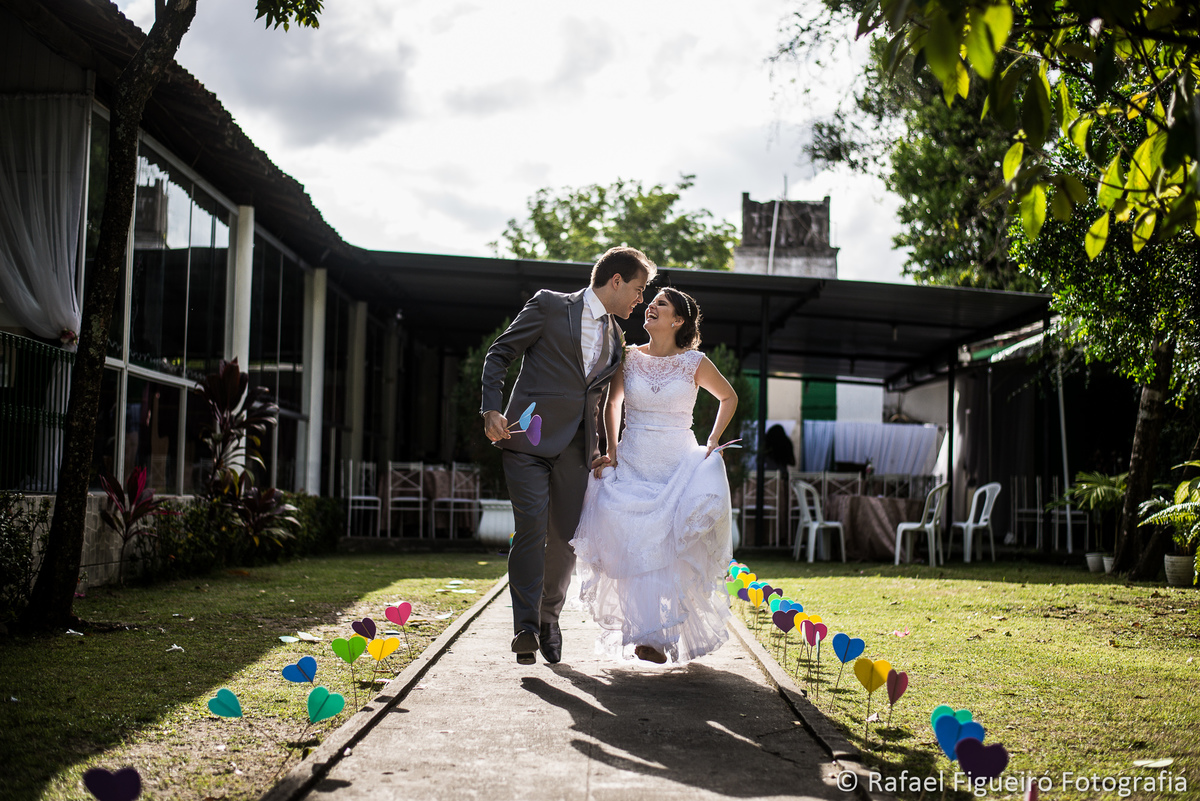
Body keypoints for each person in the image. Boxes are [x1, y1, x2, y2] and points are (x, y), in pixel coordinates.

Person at [481, 246, 655, 665]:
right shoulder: (548, 305)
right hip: (527, 440)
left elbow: (597, 398)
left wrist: (602, 447)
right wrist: (490, 407)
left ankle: (548, 619)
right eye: (638, 288)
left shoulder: (617, 337)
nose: (641, 299)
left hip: (578, 451)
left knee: (564, 541)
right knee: (530, 529)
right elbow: (499, 354)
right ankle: (524, 626)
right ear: (616, 280)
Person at [571, 287, 738, 664]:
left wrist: (712, 439)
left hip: (676, 463)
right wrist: (610, 450)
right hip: (632, 459)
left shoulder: (694, 362)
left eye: (660, 304)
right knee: (633, 541)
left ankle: (657, 638)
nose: (650, 306)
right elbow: (612, 404)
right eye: (651, 302)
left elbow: (728, 397)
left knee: (669, 547)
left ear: (678, 320)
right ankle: (645, 633)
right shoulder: (628, 358)